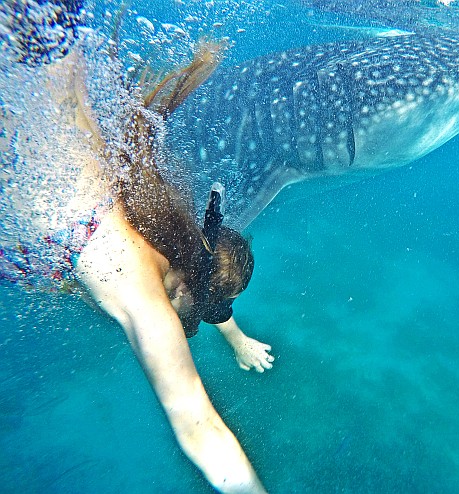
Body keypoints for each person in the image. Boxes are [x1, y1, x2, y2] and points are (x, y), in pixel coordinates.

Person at [0, 2, 272, 492]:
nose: (184, 320)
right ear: (186, 287)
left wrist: (236, 338)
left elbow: (211, 294)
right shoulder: (137, 284)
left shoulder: (136, 231)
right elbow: (199, 426)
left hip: (41, 46)